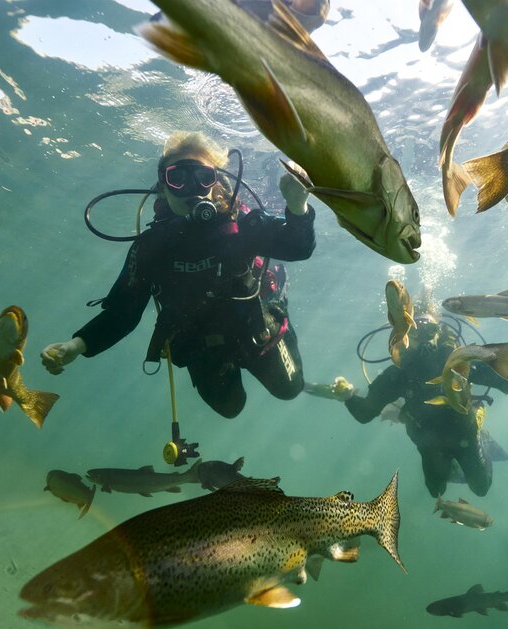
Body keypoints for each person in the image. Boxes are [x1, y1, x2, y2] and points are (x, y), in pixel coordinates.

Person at [41, 132, 316, 419]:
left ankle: (277, 325)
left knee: (289, 389)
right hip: (202, 345)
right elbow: (122, 313)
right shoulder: (151, 247)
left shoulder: (241, 223)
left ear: (215, 183)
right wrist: (77, 345)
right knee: (230, 408)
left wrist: (298, 207)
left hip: (256, 328)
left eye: (203, 177)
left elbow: (297, 247)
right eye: (178, 178)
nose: (192, 188)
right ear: (163, 187)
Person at [328, 308, 508, 498]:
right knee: (436, 492)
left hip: (465, 435)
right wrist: (348, 396)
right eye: (416, 331)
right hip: (429, 445)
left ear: (439, 334)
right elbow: (365, 413)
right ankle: (450, 466)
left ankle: (483, 439)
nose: (424, 338)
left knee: (481, 488)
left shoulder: (459, 363)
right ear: (406, 338)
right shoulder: (399, 374)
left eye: (430, 330)